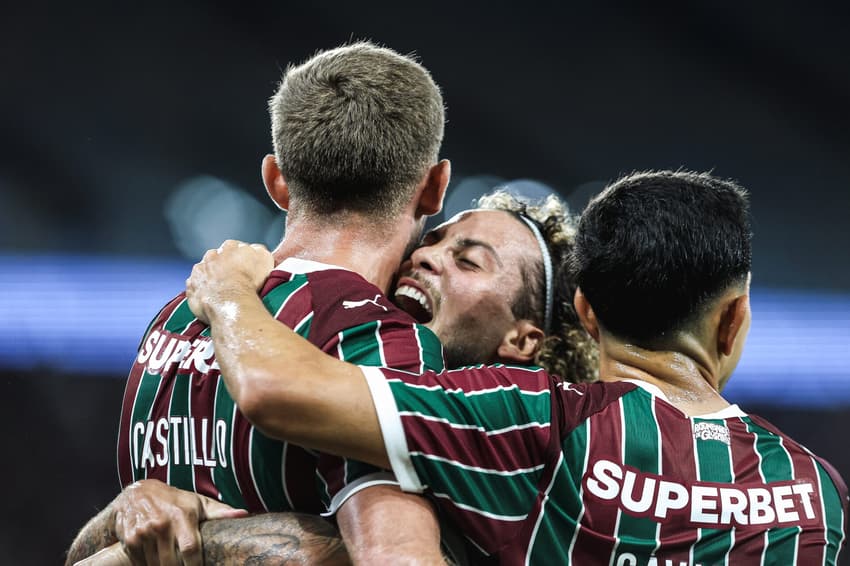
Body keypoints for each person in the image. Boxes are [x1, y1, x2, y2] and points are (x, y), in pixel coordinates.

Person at [185, 170, 848, 564]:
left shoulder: (532, 421)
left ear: (583, 313)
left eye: (470, 259)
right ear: (733, 319)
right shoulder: (821, 495)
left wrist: (229, 292)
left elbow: (277, 388)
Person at [66, 40, 452, 565]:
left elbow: (121, 545)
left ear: (276, 181)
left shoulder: (177, 318)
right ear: (434, 188)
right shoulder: (379, 337)